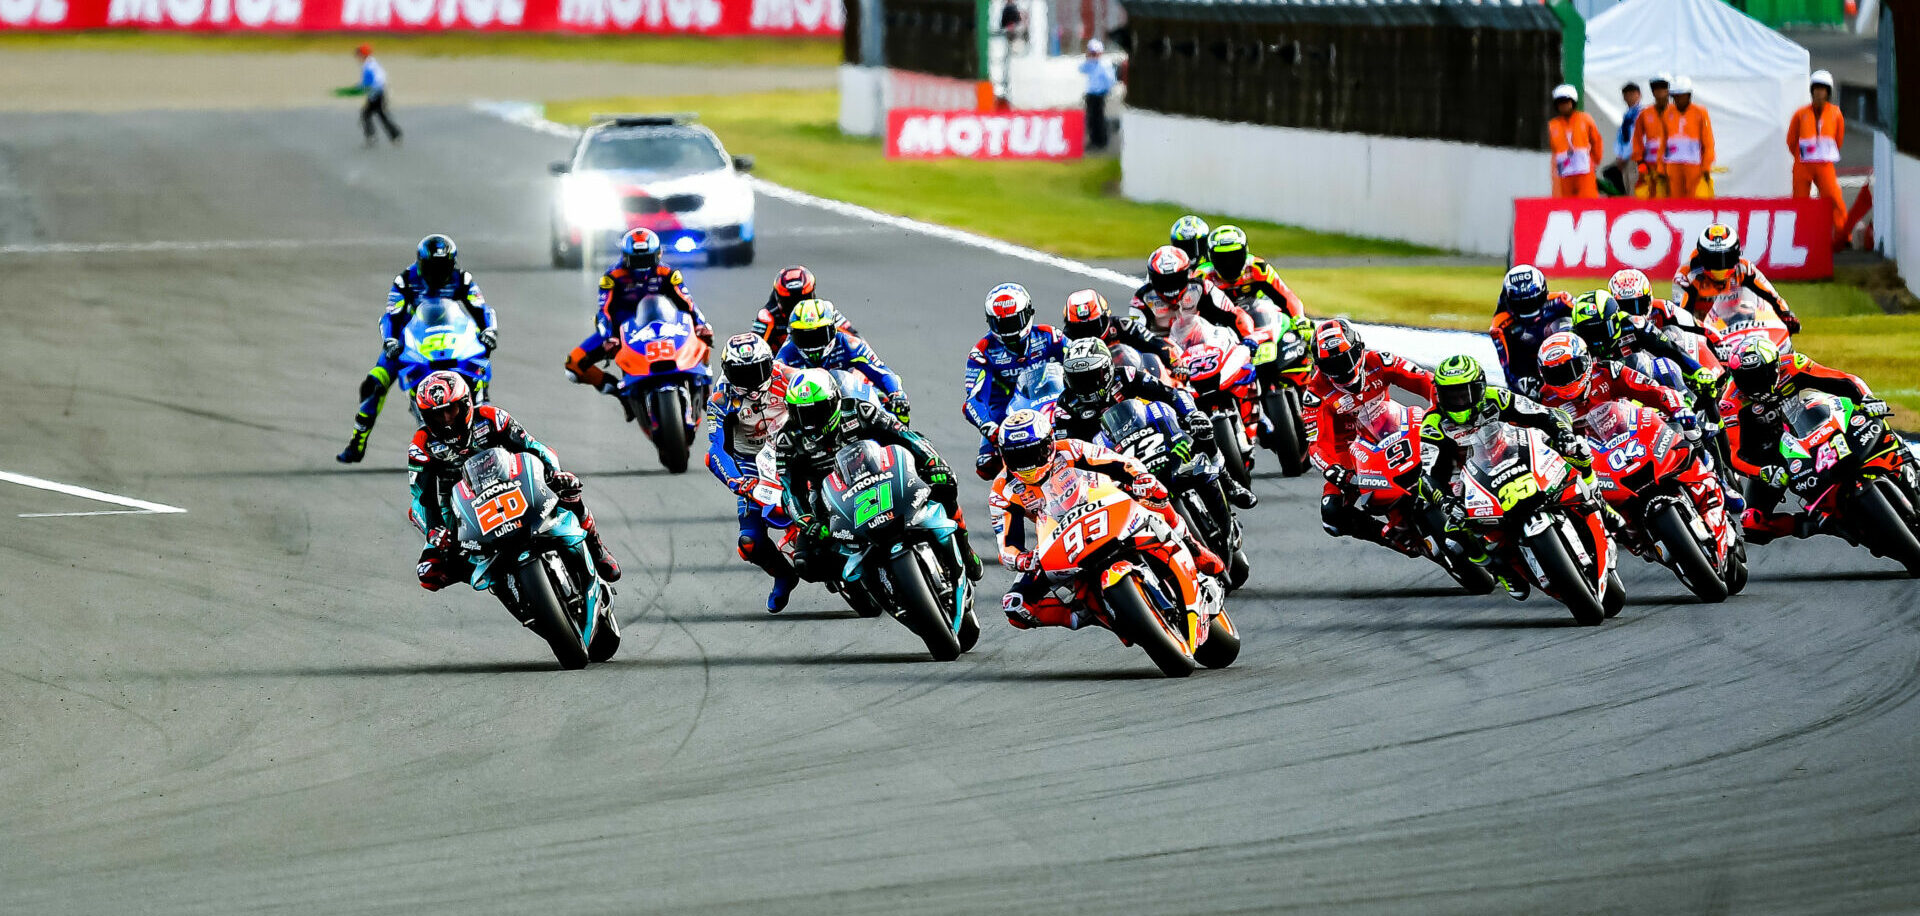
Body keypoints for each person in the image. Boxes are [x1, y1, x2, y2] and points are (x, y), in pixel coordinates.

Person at [989, 409, 1223, 630]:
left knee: (1155, 492)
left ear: (1049, 444)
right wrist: (1022, 560)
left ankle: (1193, 548)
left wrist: (1140, 478)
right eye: (1017, 456)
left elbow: (1120, 463)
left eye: (1032, 453)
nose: (1027, 464)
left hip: (1104, 503)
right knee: (1015, 605)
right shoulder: (1002, 491)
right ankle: (1082, 614)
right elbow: (1007, 544)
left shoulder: (1070, 449)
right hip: (1059, 539)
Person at [407, 371, 620, 591]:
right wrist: (435, 530)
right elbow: (421, 498)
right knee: (428, 572)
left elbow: (533, 447)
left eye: (450, 411)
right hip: (459, 507)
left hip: (510, 483)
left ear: (465, 403)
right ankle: (494, 579)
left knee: (568, 490)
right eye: (437, 416)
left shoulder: (492, 417)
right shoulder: (421, 445)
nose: (446, 421)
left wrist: (554, 473)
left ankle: (596, 548)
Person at [772, 369, 983, 583]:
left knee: (944, 485)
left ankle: (963, 547)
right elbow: (789, 488)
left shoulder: (859, 411)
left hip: (884, 473)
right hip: (830, 498)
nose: (809, 423)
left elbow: (905, 435)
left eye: (816, 412)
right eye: (801, 414)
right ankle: (856, 581)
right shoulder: (787, 440)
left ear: (834, 401)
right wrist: (805, 519)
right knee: (805, 564)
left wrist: (933, 462)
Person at [1423, 354, 1607, 599]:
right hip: (1470, 480)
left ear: (1479, 388)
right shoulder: (1432, 424)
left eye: (1464, 393)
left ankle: (1596, 498)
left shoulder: (1497, 397)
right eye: (1451, 395)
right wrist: (1445, 500)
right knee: (1454, 531)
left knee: (1577, 450)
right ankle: (1501, 569)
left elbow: (1545, 415)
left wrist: (1563, 434)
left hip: (1516, 454)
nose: (1458, 401)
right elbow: (1426, 476)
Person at [339, 233, 495, 463]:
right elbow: (392, 315)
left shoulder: (462, 279)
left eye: (444, 266)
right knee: (374, 384)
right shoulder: (405, 280)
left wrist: (489, 331)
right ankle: (357, 441)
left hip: (450, 338)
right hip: (408, 343)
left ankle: (483, 419)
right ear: (421, 263)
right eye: (433, 267)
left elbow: (481, 308)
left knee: (479, 364)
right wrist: (390, 340)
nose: (438, 273)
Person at [1052, 337, 1258, 509]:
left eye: (1090, 377)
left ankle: (1226, 479)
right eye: (1077, 379)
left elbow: (1171, 394)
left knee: (1201, 426)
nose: (1084, 385)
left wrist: (1191, 414)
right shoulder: (1065, 407)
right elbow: (1065, 450)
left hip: (1150, 434)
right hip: (1113, 462)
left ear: (1106, 371)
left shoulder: (1126, 376)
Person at [1723, 338, 1889, 544]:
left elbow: (1843, 379)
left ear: (1774, 366)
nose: (1754, 386)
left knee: (1867, 418)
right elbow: (1735, 454)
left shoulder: (1793, 364)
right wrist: (1762, 472)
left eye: (1759, 376)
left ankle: (1898, 460)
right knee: (1754, 524)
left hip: (1814, 423)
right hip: (1774, 458)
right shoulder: (1730, 403)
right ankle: (1824, 523)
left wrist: (1867, 398)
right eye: (1746, 379)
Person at [1304, 319, 1437, 552]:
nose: (1340, 370)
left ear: (1358, 350)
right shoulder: (1315, 394)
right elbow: (1316, 446)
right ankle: (1386, 537)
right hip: (1349, 450)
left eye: (1344, 360)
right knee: (1331, 515)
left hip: (1393, 425)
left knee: (1448, 437)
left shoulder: (1380, 361)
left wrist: (1440, 407)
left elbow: (1427, 381)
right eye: (1330, 365)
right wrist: (1333, 470)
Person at [704, 335, 800, 613]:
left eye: (757, 370)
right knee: (749, 542)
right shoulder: (720, 398)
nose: (750, 380)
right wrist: (735, 479)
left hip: (797, 448)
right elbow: (716, 449)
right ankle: (783, 575)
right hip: (752, 462)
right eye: (741, 373)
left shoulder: (790, 376)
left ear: (769, 364)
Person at [564, 228, 713, 393]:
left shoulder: (668, 274)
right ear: (625, 257)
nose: (642, 267)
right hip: (621, 330)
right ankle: (620, 394)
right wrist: (609, 337)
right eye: (636, 260)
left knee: (702, 337)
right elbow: (603, 311)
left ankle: (702, 383)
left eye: (647, 259)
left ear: (658, 255)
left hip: (661, 323)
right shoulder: (612, 277)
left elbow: (687, 302)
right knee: (573, 366)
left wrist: (701, 324)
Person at [964, 283, 1068, 478]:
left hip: (1052, 399)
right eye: (1002, 324)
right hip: (1005, 413)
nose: (1009, 330)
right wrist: (990, 427)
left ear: (1028, 313)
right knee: (986, 465)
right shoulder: (982, 353)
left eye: (1014, 321)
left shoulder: (1050, 337)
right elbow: (973, 401)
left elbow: (1076, 361)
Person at [776, 299, 910, 421]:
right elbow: (773, 380)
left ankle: (906, 441)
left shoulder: (849, 344)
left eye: (818, 335)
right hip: (808, 411)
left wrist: (897, 394)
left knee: (891, 405)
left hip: (849, 402)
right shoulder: (787, 352)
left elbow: (881, 370)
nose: (812, 345)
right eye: (803, 338)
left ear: (833, 329)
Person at [1672, 224, 1802, 334]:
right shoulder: (1685, 277)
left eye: (1726, 258)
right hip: (1701, 330)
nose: (1720, 266)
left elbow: (1773, 297)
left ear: (1736, 254)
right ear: (1701, 257)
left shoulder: (1745, 268)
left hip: (1735, 326)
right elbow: (1682, 319)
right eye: (1713, 260)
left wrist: (1787, 315)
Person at [1131, 246, 1257, 343]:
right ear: (1153, 280)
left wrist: (1248, 338)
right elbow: (1135, 335)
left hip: (1200, 346)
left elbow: (1235, 314)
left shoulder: (1202, 288)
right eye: (1164, 282)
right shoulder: (1142, 300)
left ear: (1186, 275)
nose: (1171, 286)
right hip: (1162, 353)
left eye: (1176, 280)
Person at [1488, 264, 1573, 398]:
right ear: (1508, 300)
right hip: (1532, 374)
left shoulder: (1561, 301)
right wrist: (1524, 385)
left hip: (1568, 360)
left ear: (1543, 293)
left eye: (1532, 301)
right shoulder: (1500, 325)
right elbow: (1509, 371)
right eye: (1520, 303)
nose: (1527, 307)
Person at [1788, 70, 1849, 247]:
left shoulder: (1836, 113)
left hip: (1824, 164)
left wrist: (1825, 155)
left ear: (1828, 92)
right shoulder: (1800, 114)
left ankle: (1842, 235)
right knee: (1800, 201)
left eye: (1823, 89)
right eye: (1816, 89)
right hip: (1803, 164)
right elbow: (1791, 139)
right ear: (1811, 91)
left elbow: (1839, 139)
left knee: (1834, 198)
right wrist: (1800, 157)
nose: (1819, 92)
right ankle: (1801, 236)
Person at [1060, 288, 1183, 372]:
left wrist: (1175, 364)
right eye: (1080, 329)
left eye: (1092, 326)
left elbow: (1157, 343)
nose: (1088, 334)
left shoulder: (1122, 326)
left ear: (1105, 317)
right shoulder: (1064, 340)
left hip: (1132, 380)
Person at [1201, 225, 1307, 320]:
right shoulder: (1202, 276)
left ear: (1245, 253)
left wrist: (1300, 320)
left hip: (1259, 322)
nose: (1229, 264)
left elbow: (1288, 297)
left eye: (1235, 257)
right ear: (1211, 257)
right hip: (1219, 329)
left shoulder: (1258, 268)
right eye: (1222, 258)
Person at [751, 266, 854, 352]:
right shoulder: (767, 316)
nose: (797, 307)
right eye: (790, 302)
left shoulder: (825, 312)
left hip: (824, 362)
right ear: (778, 297)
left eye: (803, 299)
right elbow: (755, 352)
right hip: (785, 367)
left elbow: (857, 341)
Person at [339, 44, 402, 148]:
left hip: (377, 94)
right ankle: (394, 135)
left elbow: (368, 83)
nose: (357, 57)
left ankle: (377, 136)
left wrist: (355, 89)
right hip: (378, 93)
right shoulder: (372, 62)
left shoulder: (368, 66)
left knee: (367, 115)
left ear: (363, 55)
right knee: (377, 115)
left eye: (358, 54)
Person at [1548, 84, 1604, 199]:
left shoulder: (1585, 119)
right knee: (1566, 202)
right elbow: (1553, 149)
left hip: (1584, 169)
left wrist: (1594, 161)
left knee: (1587, 200)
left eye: (1566, 102)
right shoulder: (1552, 125)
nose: (1564, 105)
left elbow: (1596, 141)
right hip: (1564, 171)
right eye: (1560, 103)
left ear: (1572, 102)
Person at [1663, 77, 1715, 198]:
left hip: (1693, 164)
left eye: (1681, 96)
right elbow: (1663, 142)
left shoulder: (1700, 112)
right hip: (1673, 164)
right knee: (1675, 201)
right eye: (1675, 96)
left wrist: (1706, 166)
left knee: (1694, 200)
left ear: (1689, 95)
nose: (1678, 99)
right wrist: (1661, 168)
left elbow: (1708, 141)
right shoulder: (1668, 113)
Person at [1631, 74, 1673, 198]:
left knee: (1674, 198)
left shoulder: (1676, 113)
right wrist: (1641, 163)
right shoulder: (1645, 114)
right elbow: (1637, 139)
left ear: (1669, 90)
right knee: (1650, 199)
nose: (1659, 91)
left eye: (1663, 87)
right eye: (1655, 88)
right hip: (1651, 166)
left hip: (1672, 166)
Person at [1079, 39, 1117, 151]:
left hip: (1099, 95)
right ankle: (1093, 140)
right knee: (1091, 119)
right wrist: (1089, 59)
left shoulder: (1104, 65)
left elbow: (1110, 80)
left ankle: (1101, 141)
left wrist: (1106, 90)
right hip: (1091, 95)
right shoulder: (1090, 64)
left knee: (1099, 119)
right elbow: (1081, 69)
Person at [1609, 81, 1644, 192]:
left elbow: (1635, 136)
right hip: (1626, 157)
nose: (1628, 97)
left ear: (1639, 95)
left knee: (1634, 187)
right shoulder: (1628, 114)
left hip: (1635, 157)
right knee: (1628, 185)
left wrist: (1624, 156)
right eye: (1626, 95)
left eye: (1632, 94)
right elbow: (1622, 136)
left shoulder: (1640, 113)